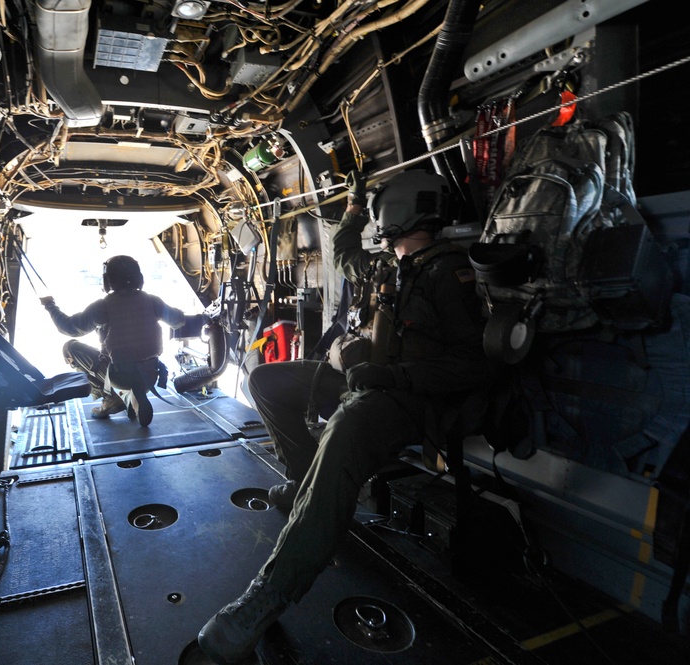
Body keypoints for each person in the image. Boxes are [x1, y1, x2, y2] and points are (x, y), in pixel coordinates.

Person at [197, 169, 496, 663]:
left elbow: (475, 363)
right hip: (371, 378)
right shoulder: (391, 266)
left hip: (413, 398)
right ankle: (302, 483)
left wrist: (394, 379)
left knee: (343, 429)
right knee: (265, 381)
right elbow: (344, 253)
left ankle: (270, 594)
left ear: (397, 213)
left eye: (379, 210)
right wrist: (353, 208)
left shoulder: (448, 274)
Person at [39, 254, 195, 427]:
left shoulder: (104, 306)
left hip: (120, 375)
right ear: (139, 279)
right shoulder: (152, 301)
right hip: (150, 375)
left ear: (108, 282)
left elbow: (69, 328)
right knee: (130, 367)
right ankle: (132, 397)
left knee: (70, 348)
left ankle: (110, 398)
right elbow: (179, 320)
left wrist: (50, 305)